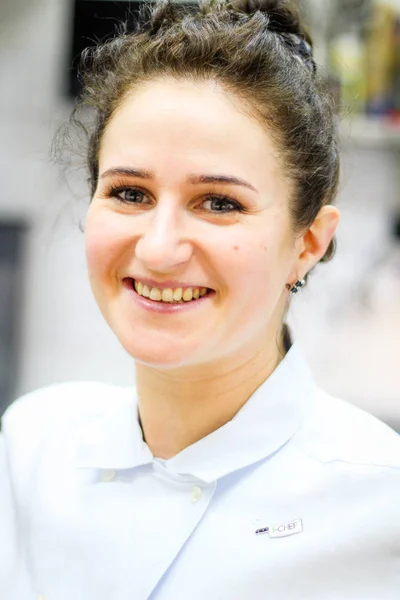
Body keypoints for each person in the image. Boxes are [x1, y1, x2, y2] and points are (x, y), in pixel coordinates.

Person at [1, 0, 399, 598]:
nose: (159, 249)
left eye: (219, 203)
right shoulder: (29, 450)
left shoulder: (382, 504)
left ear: (309, 241)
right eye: (130, 193)